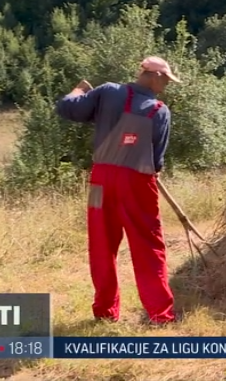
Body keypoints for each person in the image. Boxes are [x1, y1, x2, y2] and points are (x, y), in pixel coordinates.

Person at [55, 56, 181, 324]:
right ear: (153, 76)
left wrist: (79, 91)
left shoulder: (107, 92)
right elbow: (157, 159)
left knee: (101, 244)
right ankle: (161, 315)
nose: (167, 85)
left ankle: (105, 311)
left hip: (100, 179)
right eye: (166, 79)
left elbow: (68, 108)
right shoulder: (159, 111)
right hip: (137, 182)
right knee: (148, 246)